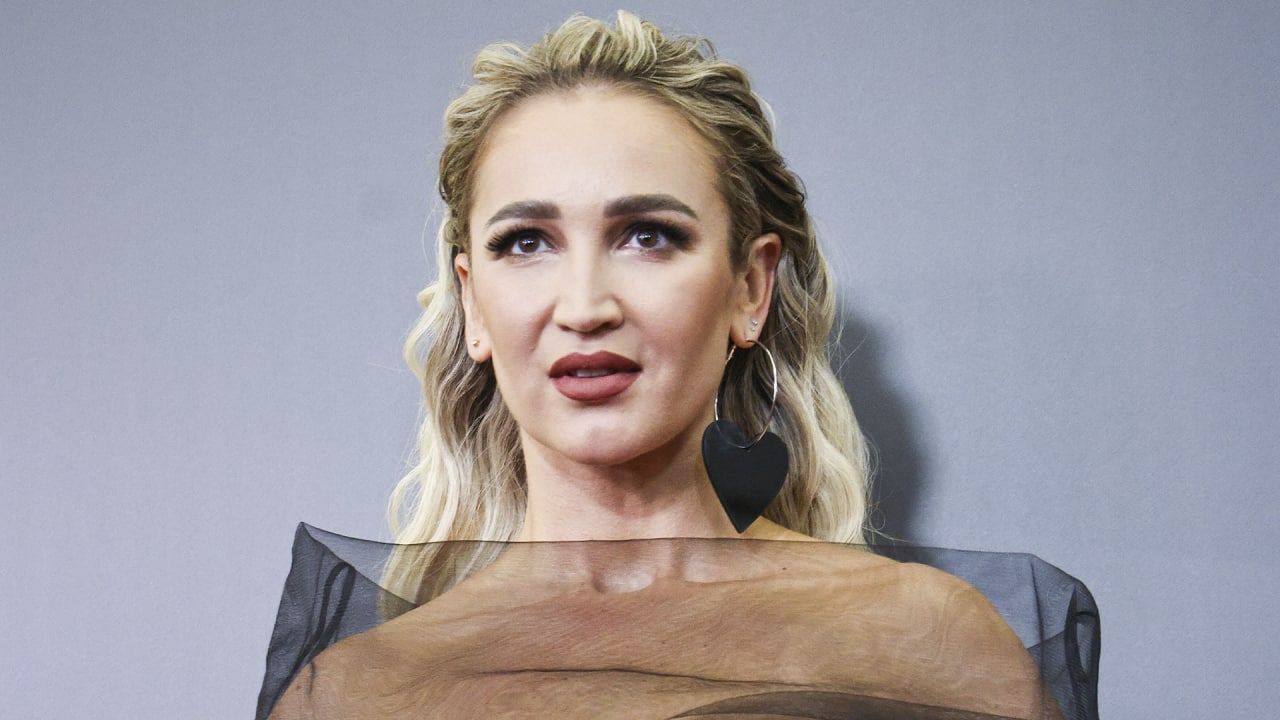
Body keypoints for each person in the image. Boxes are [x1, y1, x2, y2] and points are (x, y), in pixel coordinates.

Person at [257, 11, 1098, 719]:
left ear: (750, 288)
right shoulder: (360, 692)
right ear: (474, 305)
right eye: (527, 243)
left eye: (647, 236)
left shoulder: (926, 637)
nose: (585, 305)